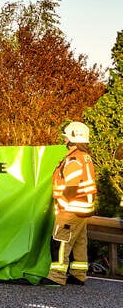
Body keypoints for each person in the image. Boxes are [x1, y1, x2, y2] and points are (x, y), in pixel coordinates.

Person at [43, 121, 97, 286]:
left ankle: (57, 276)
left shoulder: (74, 159)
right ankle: (78, 274)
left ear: (74, 136)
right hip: (83, 208)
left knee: (61, 240)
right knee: (79, 241)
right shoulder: (84, 156)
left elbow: (71, 187)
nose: (64, 139)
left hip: (71, 208)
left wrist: (62, 205)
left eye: (66, 136)